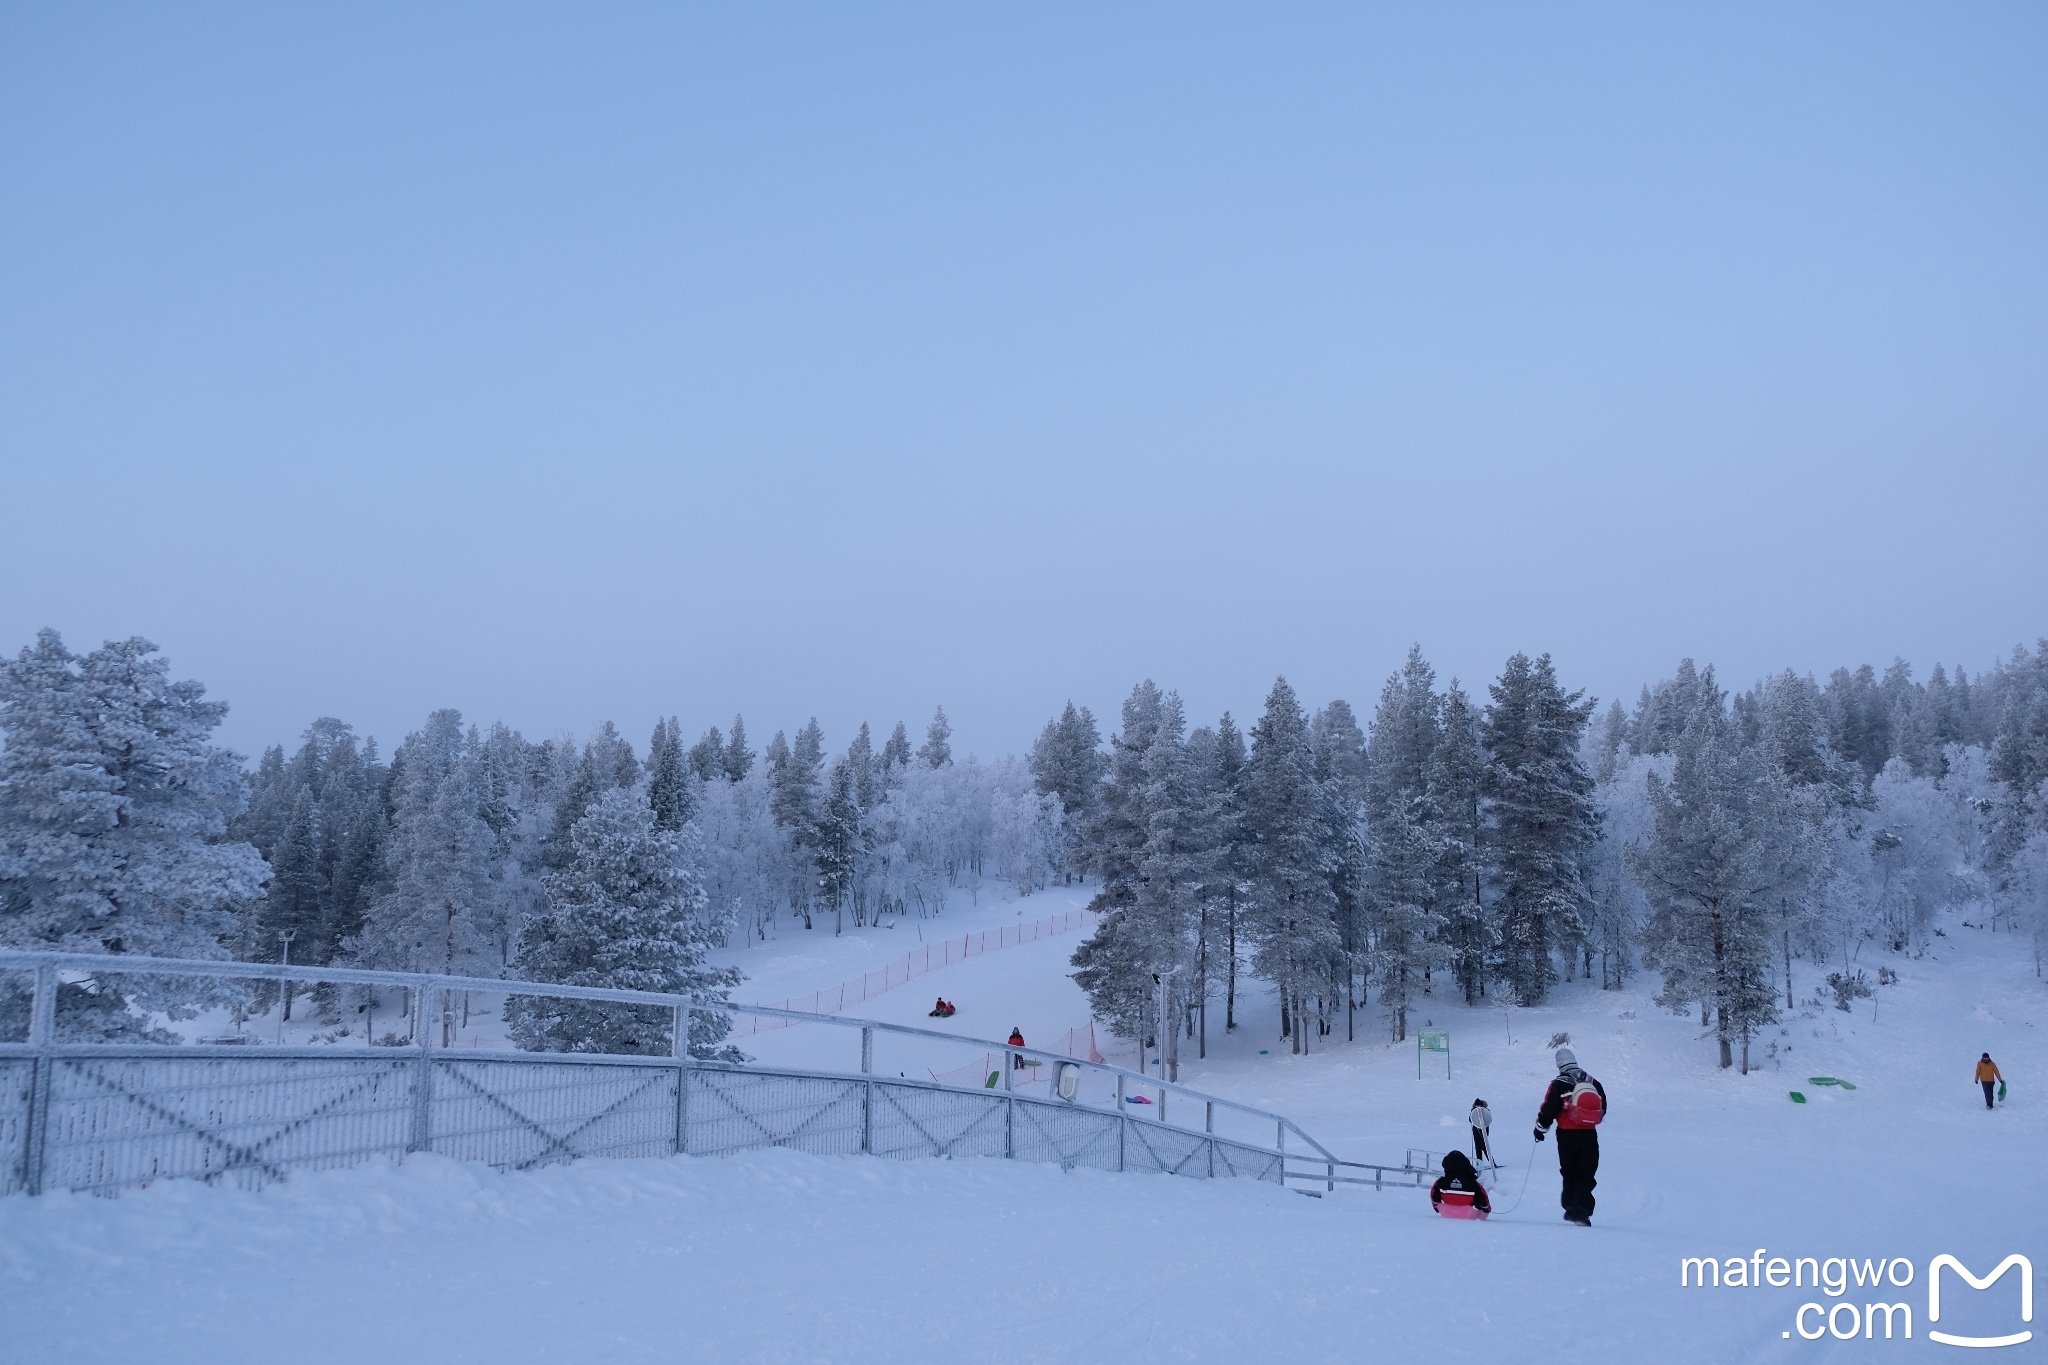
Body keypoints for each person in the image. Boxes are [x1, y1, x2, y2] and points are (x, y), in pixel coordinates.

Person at [1534, 1046, 1606, 1227]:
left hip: (1566, 1135)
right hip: (1589, 1134)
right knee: (1586, 1173)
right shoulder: (1592, 1082)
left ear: (1559, 1065)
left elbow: (1548, 1109)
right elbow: (1602, 1107)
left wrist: (1540, 1130)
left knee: (1568, 1172)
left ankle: (1570, 1208)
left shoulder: (1558, 1084)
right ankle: (1582, 1212)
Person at [1430, 1149, 1491, 1220]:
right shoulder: (1473, 1184)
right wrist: (1486, 1210)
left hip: (1447, 1214)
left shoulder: (1441, 1182)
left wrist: (1437, 1207)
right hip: (1468, 1215)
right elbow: (1483, 1200)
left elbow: (1434, 1195)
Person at [1468, 1098, 1494, 1165]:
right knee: (1477, 1147)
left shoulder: (1486, 1110)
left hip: (1484, 1130)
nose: (1477, 1107)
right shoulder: (1473, 1110)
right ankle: (1479, 1163)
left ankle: (1492, 1163)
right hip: (1476, 1131)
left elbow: (1488, 1119)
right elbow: (1470, 1120)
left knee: (1484, 1146)